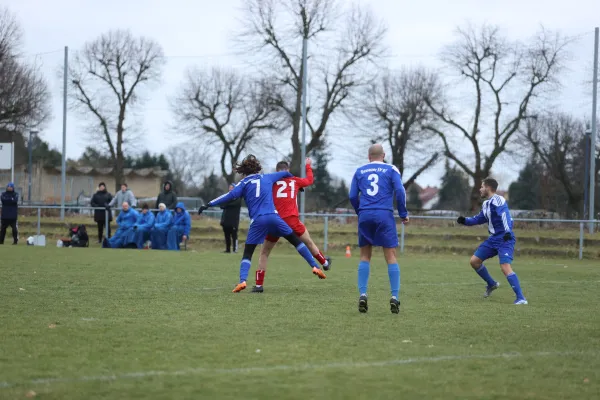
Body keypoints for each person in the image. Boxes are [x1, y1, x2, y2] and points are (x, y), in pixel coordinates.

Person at [199, 154, 326, 293]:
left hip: (258, 221)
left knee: (248, 253)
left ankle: (242, 281)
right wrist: (291, 179)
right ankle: (314, 266)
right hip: (275, 217)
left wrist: (208, 204)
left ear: (243, 171)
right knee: (297, 241)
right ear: (257, 168)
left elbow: (228, 196)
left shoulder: (243, 183)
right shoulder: (267, 177)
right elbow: (285, 173)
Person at [253, 158, 331, 293]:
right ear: (287, 170)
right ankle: (324, 263)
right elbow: (309, 180)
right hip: (291, 220)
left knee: (265, 252)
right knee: (308, 242)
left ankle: (259, 285)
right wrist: (308, 166)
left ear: (276, 171)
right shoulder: (294, 180)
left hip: (275, 221)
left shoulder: (270, 182)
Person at [349, 144, 409, 314]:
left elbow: (352, 196)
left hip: (365, 215)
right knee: (390, 255)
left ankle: (363, 294)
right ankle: (395, 297)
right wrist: (403, 213)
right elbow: (400, 190)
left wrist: (359, 211)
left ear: (369, 157)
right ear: (383, 155)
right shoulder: (391, 169)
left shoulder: (360, 171)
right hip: (384, 215)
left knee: (364, 256)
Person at [457, 178, 528, 305]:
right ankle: (491, 283)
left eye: (482, 186)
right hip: (493, 239)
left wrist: (507, 232)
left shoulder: (498, 200)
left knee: (505, 267)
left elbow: (505, 215)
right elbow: (479, 219)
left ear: (488, 188)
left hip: (505, 238)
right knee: (474, 261)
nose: (480, 189)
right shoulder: (486, 204)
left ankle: (521, 298)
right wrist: (465, 221)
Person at [220, 184, 242, 253]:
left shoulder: (238, 198)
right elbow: (221, 205)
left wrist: (226, 203)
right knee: (227, 236)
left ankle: (235, 249)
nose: (230, 189)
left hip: (233, 222)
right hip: (225, 221)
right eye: (229, 187)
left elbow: (230, 204)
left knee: (234, 236)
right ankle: (227, 249)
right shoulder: (226, 197)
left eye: (232, 187)